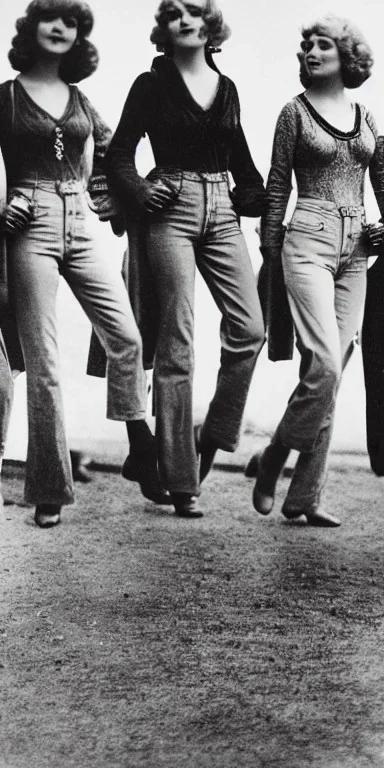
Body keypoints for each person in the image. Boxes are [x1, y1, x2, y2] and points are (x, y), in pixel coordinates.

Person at [0, 0, 170, 529]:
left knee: (127, 337)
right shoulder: (4, 98)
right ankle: (49, 488)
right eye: (49, 18)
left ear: (78, 36)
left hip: (79, 222)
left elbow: (115, 154)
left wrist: (122, 199)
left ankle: (139, 448)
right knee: (45, 362)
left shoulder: (80, 99)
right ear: (31, 29)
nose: (59, 28)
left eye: (70, 22)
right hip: (29, 229)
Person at [103, 0, 267, 518]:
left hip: (221, 211)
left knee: (250, 330)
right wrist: (138, 188)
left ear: (210, 23)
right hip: (169, 209)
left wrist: (256, 194)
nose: (185, 19)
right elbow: (119, 154)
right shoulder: (150, 84)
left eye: (195, 10)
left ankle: (207, 441)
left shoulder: (228, 88)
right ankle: (180, 481)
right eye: (174, 12)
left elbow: (244, 167)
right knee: (178, 337)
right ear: (165, 27)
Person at [248, 15, 384, 527]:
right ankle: (275, 459)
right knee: (325, 362)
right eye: (306, 45)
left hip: (357, 253)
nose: (310, 52)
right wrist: (270, 250)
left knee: (331, 371)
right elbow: (277, 185)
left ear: (346, 56)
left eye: (322, 45)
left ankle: (303, 496)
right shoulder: (294, 113)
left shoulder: (366, 116)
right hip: (306, 241)